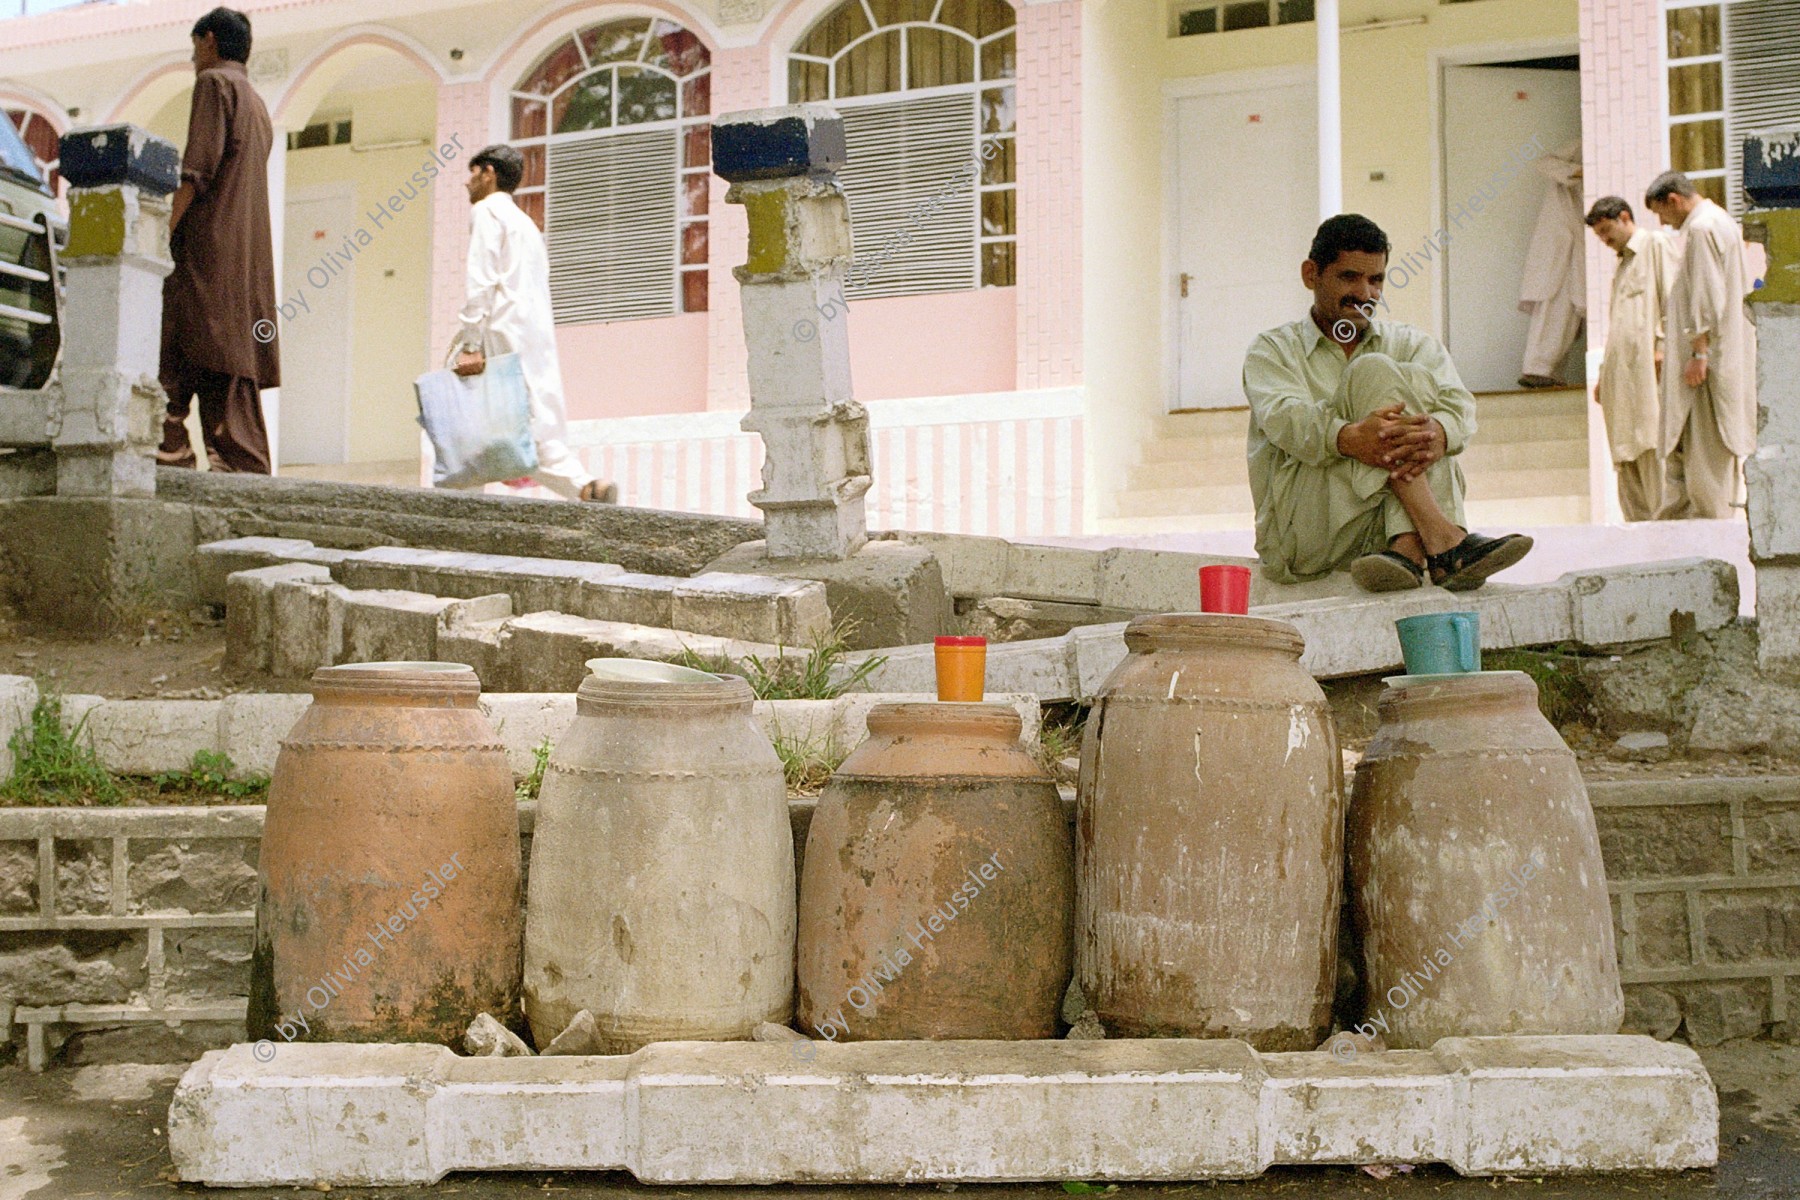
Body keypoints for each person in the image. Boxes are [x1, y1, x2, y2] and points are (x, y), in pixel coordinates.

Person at [1243, 214, 1533, 593]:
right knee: (1376, 373)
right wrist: (1349, 437)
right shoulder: (1272, 350)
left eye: (1375, 280)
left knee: (1427, 415)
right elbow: (1287, 419)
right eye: (1349, 277)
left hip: (1378, 535)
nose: (1364, 294)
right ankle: (1445, 543)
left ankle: (1408, 546)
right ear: (1311, 274)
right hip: (1308, 532)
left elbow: (1459, 406)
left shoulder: (1412, 343)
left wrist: (1439, 433)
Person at [455, 144, 615, 503]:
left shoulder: (486, 212)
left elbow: (481, 279)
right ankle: (585, 488)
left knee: (492, 423)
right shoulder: (525, 223)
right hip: (531, 334)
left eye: (473, 173)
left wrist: (470, 343)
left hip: (498, 333)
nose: (468, 184)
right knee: (516, 423)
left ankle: (583, 488)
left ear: (489, 173)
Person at [155, 7, 277, 473]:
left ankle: (175, 457)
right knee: (221, 362)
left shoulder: (214, 85)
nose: (192, 60)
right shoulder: (257, 103)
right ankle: (214, 466)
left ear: (208, 40)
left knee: (174, 352)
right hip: (242, 264)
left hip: (206, 252)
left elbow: (196, 170)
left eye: (193, 49)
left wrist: (163, 232)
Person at [1644, 171, 1758, 520]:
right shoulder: (1720, 221)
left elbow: (1707, 297)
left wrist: (1699, 352)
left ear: (1673, 200)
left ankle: (1711, 536)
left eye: (1661, 213)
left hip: (1709, 364)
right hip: (1718, 357)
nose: (1664, 222)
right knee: (1690, 453)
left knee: (1705, 455)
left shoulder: (1702, 228)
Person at [1585, 196, 1675, 521]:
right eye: (1600, 235)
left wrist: (1664, 346)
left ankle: (1666, 537)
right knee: (1626, 453)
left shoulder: (1655, 246)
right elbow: (1619, 325)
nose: (1605, 240)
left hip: (1648, 374)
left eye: (1607, 230)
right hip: (1622, 379)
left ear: (1625, 217)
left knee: (1651, 447)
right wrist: (1605, 374)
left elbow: (1673, 298)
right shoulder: (1622, 264)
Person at [1517, 139, 1587, 389]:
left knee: (1569, 314)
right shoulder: (1580, 147)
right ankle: (1537, 370)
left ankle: (1549, 373)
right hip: (1558, 248)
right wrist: (1580, 172)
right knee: (1552, 308)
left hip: (1578, 246)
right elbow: (1543, 163)